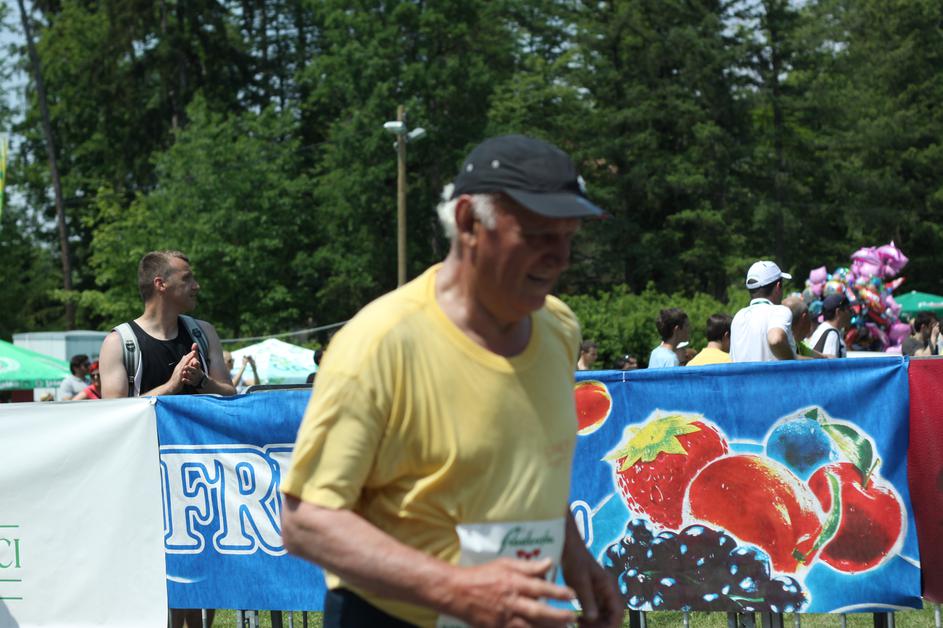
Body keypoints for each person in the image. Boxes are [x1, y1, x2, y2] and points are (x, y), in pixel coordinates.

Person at [280, 135, 622, 628]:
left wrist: (575, 554)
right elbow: (306, 521)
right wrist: (456, 589)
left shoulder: (559, 328)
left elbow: (528, 471)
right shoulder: (380, 344)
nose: (561, 257)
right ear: (468, 222)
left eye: (569, 236)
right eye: (538, 234)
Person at [98, 250, 235, 628]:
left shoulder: (203, 333)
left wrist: (202, 382)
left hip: (202, 477)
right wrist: (172, 386)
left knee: (202, 580)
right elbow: (111, 418)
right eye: (187, 278)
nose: (196, 285)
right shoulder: (120, 343)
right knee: (162, 582)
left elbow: (231, 394)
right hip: (146, 483)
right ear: (161, 284)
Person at [730, 261, 797, 363]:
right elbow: (776, 340)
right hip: (776, 374)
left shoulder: (738, 317)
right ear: (778, 286)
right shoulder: (779, 311)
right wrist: (795, 359)